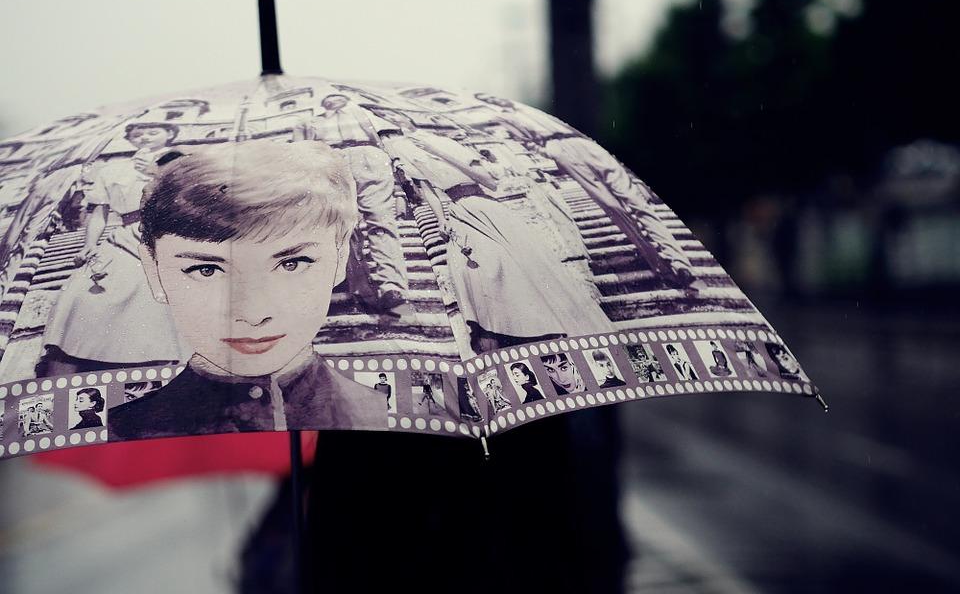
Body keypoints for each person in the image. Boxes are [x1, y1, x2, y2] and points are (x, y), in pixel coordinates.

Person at [107, 140, 387, 441]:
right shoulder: (125, 430)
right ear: (153, 271)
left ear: (341, 257)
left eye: (292, 264)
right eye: (207, 270)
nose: (253, 313)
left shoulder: (379, 414)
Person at [367, 106, 612, 353]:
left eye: (391, 131)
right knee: (469, 273)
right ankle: (504, 335)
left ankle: (542, 328)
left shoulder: (441, 143)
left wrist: (438, 150)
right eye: (385, 135)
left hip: (487, 209)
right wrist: (443, 220)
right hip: (458, 214)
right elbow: (428, 192)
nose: (390, 140)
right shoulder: (405, 158)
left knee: (509, 267)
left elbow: (490, 181)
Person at [472, 92, 700, 290]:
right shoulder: (504, 119)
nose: (491, 100)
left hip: (585, 143)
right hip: (562, 150)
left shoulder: (534, 107)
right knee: (614, 207)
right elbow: (520, 143)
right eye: (486, 100)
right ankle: (661, 267)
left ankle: (680, 263)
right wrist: (548, 151)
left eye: (490, 97)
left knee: (636, 201)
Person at [39, 122, 191, 376]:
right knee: (81, 295)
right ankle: (62, 375)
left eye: (153, 131)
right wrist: (89, 245)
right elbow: (100, 212)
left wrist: (156, 173)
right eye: (138, 133)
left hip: (167, 231)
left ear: (170, 134)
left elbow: (191, 200)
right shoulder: (114, 169)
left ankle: (164, 371)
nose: (145, 136)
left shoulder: (182, 161)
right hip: (125, 234)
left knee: (157, 299)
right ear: (129, 139)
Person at [292, 94, 410, 317]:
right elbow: (300, 153)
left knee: (381, 222)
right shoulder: (306, 119)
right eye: (326, 92)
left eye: (336, 92)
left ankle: (392, 287)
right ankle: (360, 288)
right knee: (344, 228)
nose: (332, 95)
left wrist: (399, 189)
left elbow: (391, 144)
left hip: (371, 158)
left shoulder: (365, 110)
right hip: (330, 160)